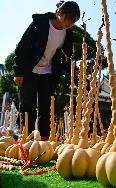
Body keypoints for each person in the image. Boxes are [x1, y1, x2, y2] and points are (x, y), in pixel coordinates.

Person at [13, 1, 80, 139]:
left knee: (46, 107)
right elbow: (22, 46)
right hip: (29, 69)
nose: (69, 23)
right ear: (58, 13)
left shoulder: (68, 34)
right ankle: (25, 136)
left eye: (73, 21)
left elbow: (66, 57)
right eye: (68, 18)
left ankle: (44, 138)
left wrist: (75, 71)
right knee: (27, 105)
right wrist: (18, 71)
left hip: (48, 73)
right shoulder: (40, 23)